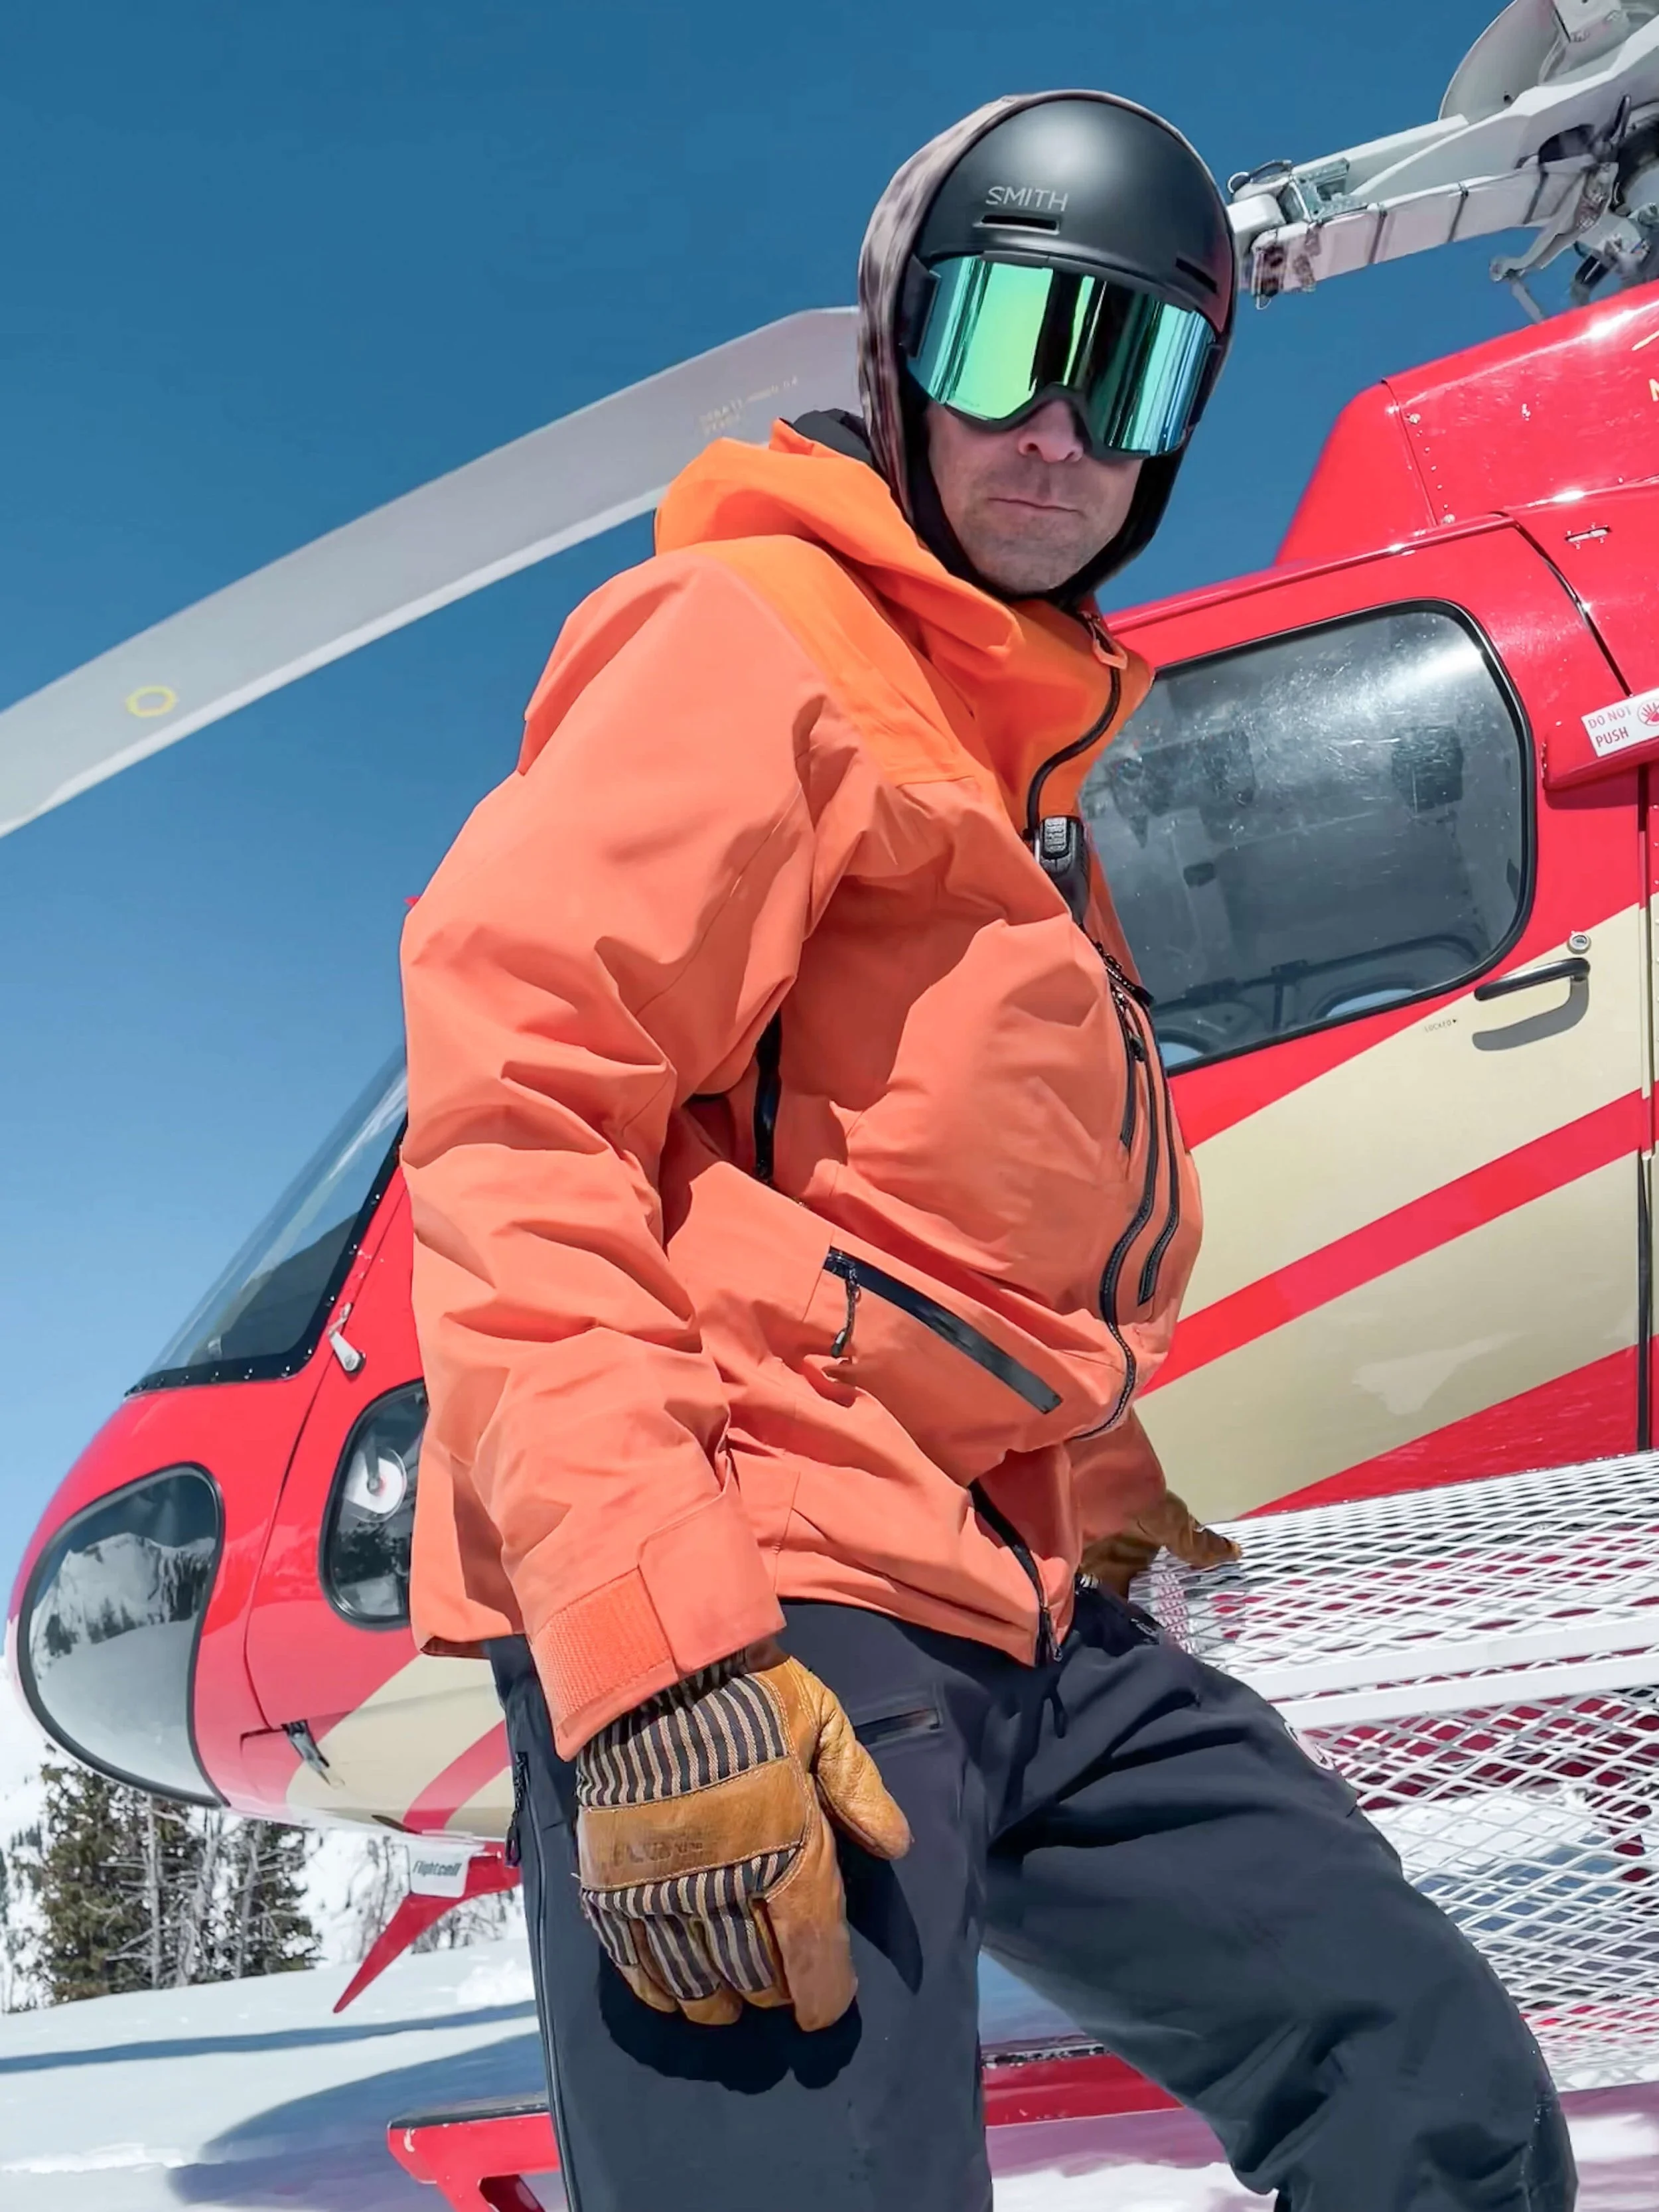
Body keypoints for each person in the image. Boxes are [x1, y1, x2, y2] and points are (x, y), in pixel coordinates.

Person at [399, 92, 1574, 2212]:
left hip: (1013, 1611)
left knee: (1438, 2102)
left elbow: (937, 1221)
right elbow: (521, 1111)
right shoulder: (751, 641)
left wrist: (1099, 1492)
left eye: (1123, 371)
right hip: (760, 1591)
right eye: (1004, 342)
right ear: (893, 354)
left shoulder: (1032, 773)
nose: (1055, 429)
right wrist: (655, 1650)